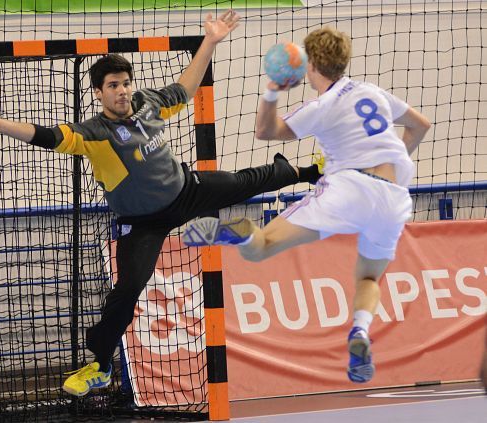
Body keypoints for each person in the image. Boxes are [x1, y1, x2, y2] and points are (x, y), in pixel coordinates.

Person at [0, 10, 321, 397]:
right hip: (143, 222)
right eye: (113, 85)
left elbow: (185, 88)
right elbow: (46, 135)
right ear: (99, 93)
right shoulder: (95, 133)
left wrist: (210, 42)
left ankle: (310, 171)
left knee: (244, 182)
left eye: (126, 83)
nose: (122, 90)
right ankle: (99, 365)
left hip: (186, 190)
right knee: (127, 290)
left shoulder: (148, 104)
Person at [183, 26, 431, 383]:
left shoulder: (321, 106)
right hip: (394, 198)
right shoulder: (372, 91)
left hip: (349, 188)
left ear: (310, 65)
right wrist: (391, 161)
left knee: (261, 247)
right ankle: (360, 331)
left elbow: (266, 131)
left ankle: (244, 233)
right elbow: (420, 125)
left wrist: (273, 90)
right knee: (368, 276)